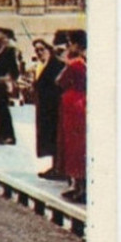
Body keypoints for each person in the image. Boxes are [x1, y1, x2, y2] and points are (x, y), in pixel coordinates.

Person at [55, 31, 87, 203]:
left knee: (73, 145)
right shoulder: (82, 62)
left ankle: (78, 185)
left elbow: (59, 80)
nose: (69, 46)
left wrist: (65, 61)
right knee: (76, 145)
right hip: (78, 103)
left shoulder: (75, 63)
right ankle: (78, 185)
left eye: (71, 42)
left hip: (73, 105)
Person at [32, 39, 65, 180]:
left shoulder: (57, 64)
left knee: (54, 136)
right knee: (49, 137)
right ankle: (54, 165)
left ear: (48, 49)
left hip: (53, 106)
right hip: (45, 106)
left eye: (41, 49)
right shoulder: (42, 65)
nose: (39, 53)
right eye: (37, 50)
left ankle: (58, 167)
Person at [0, 27, 20, 145]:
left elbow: (14, 69)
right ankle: (1, 134)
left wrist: (8, 79)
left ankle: (9, 135)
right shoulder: (0, 47)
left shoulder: (10, 49)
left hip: (2, 82)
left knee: (3, 108)